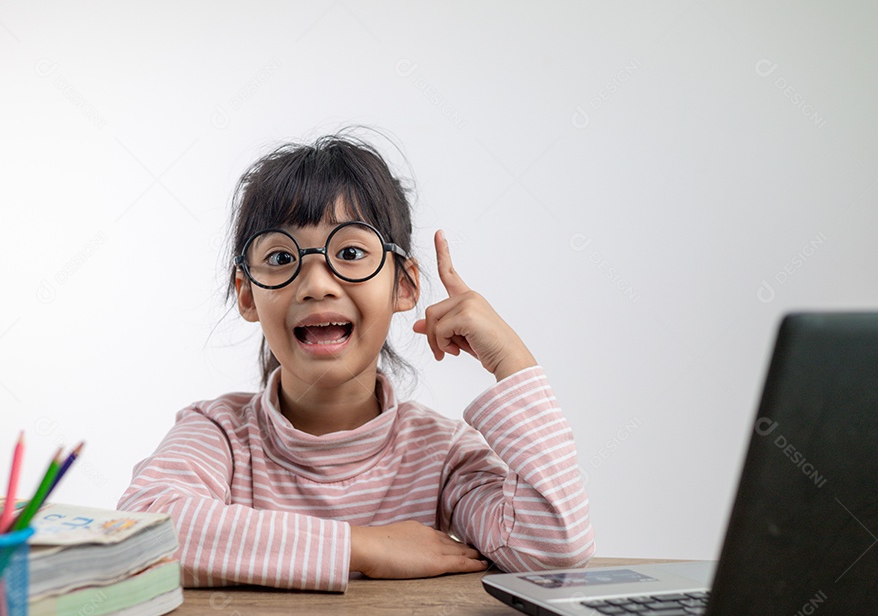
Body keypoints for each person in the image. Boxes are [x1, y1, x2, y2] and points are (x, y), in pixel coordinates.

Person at [118, 132, 593, 591]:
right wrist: (359, 547)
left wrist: (513, 361)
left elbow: (550, 550)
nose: (317, 284)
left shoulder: (441, 453)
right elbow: (143, 536)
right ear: (246, 293)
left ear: (404, 286)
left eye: (349, 252)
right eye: (281, 257)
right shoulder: (217, 432)